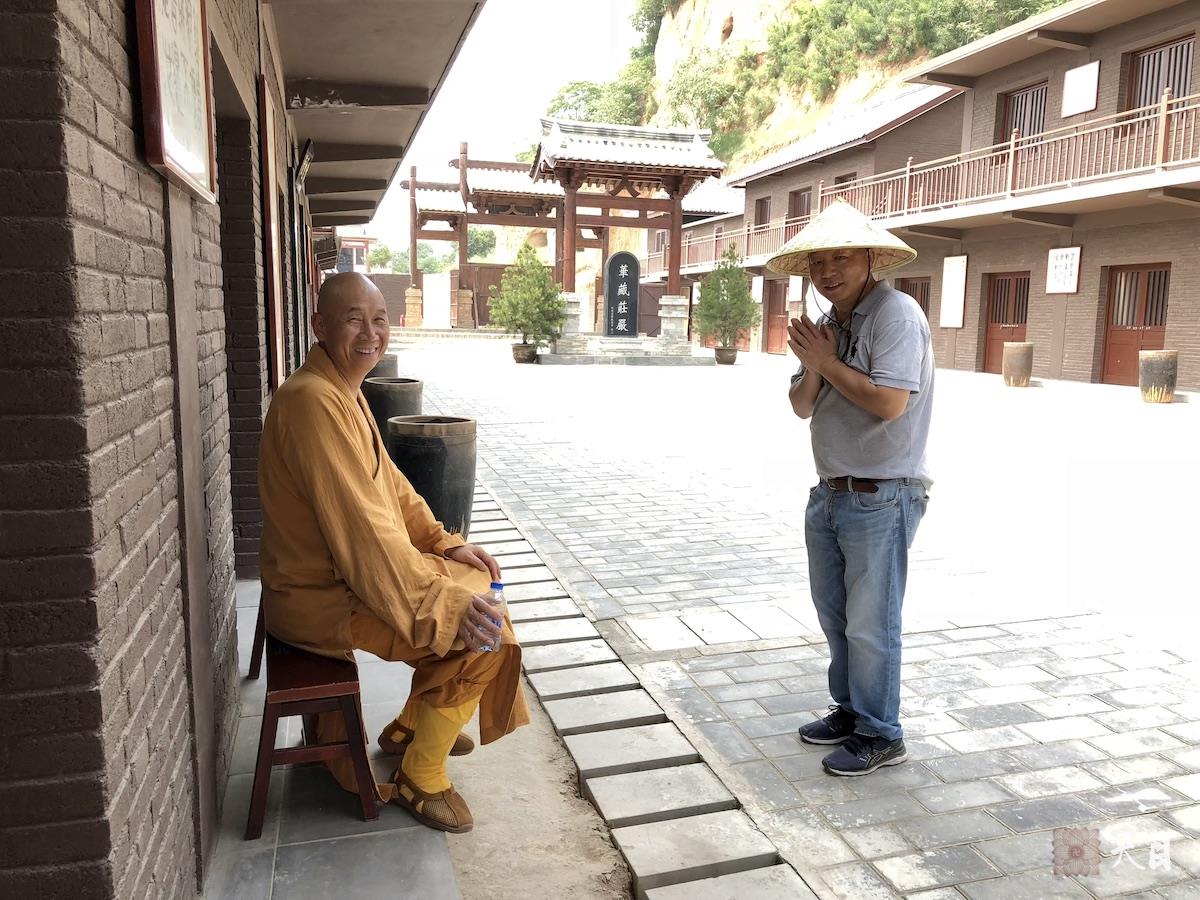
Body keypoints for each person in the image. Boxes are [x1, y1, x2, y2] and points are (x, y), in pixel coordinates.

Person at [258, 272, 529, 832]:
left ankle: (408, 726)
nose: (370, 333)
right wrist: (442, 604)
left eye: (378, 319)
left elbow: (393, 490)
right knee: (486, 634)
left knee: (473, 589)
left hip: (338, 578)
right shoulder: (313, 402)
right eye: (353, 319)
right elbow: (365, 534)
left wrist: (444, 544)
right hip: (320, 596)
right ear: (320, 326)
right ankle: (420, 775)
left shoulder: (340, 389)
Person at [766, 200, 933, 777]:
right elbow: (800, 405)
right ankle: (850, 710)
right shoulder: (831, 324)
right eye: (819, 262)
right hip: (831, 491)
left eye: (841, 257)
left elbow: (890, 404)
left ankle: (882, 732)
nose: (829, 270)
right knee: (836, 614)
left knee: (872, 621)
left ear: (870, 260)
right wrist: (816, 359)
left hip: (881, 493)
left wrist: (828, 361)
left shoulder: (896, 315)